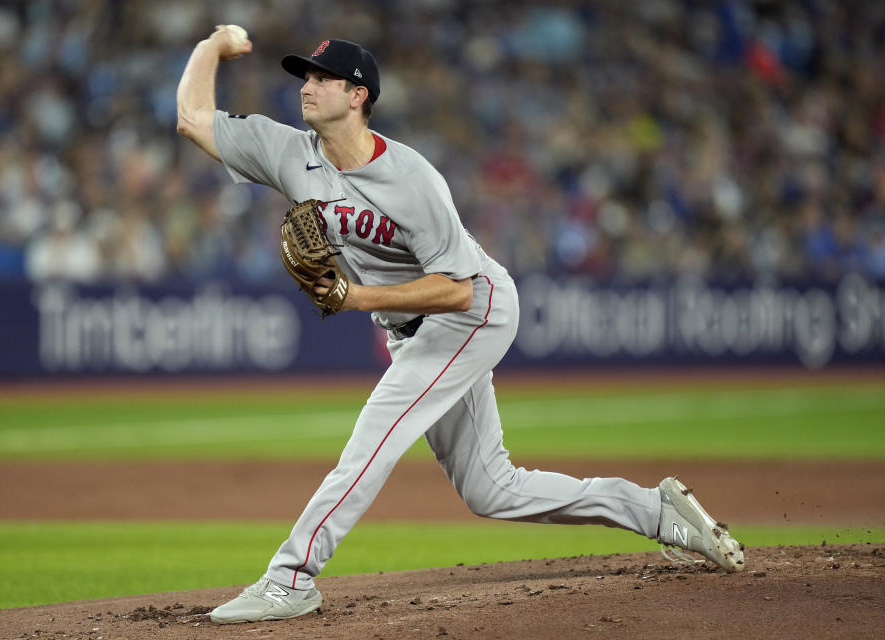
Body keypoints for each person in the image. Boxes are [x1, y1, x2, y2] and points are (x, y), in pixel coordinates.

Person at [176, 26, 745, 625]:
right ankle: (658, 512)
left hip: (474, 310)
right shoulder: (288, 151)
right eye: (305, 77)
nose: (307, 87)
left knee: (376, 434)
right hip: (414, 329)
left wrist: (355, 297)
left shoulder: (412, 179)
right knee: (490, 489)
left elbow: (458, 288)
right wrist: (213, 46)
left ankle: (291, 577)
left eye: (322, 78)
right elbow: (191, 118)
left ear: (358, 94)